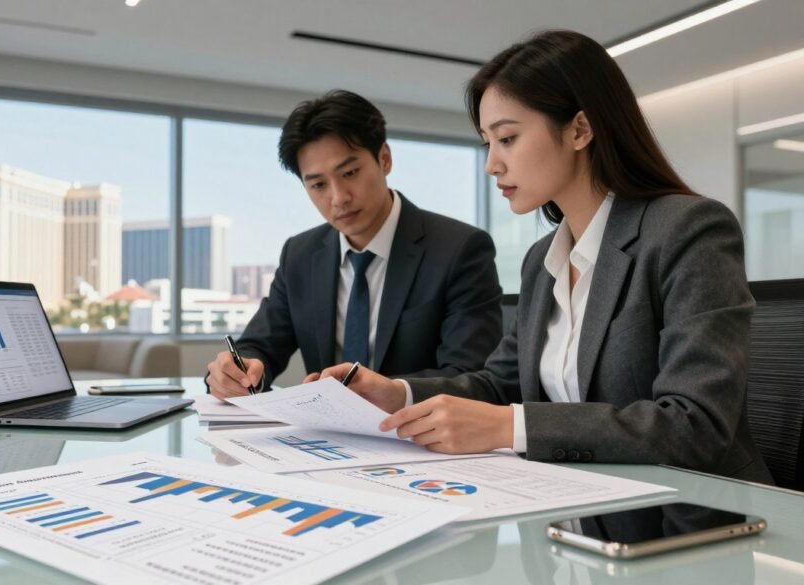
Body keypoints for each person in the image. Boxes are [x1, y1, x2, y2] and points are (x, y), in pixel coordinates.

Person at [317, 31, 772, 483]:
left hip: (686, 522)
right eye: (487, 143)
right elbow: (500, 384)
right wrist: (398, 394)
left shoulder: (688, 231)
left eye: (508, 138)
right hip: (574, 509)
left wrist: (510, 426)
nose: (492, 164)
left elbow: (697, 425)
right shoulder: (543, 260)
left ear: (579, 129)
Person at [206, 90, 502, 399]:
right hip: (327, 437)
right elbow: (260, 345)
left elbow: (472, 376)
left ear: (384, 159)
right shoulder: (300, 254)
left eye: (350, 173)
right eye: (318, 185)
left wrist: (394, 393)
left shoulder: (459, 249)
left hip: (418, 436)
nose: (338, 197)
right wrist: (237, 370)